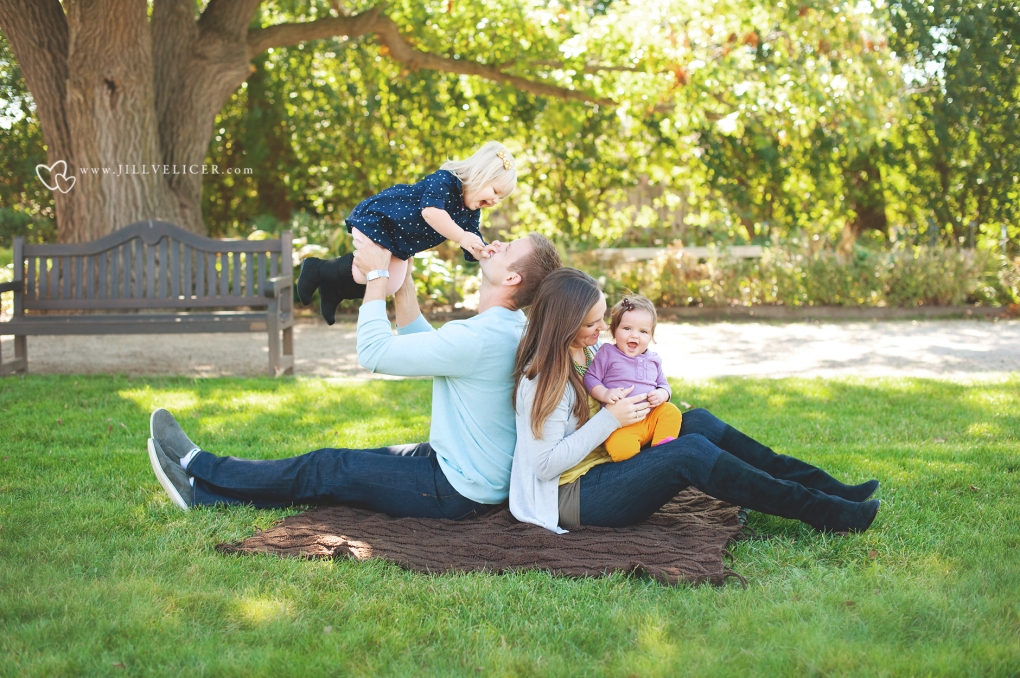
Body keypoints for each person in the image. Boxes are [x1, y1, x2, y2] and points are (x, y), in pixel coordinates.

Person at [147, 233, 562, 519]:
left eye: (509, 248)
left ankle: (198, 466)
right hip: (462, 467)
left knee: (328, 468)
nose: (498, 242)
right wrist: (403, 280)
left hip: (457, 490)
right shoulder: (500, 328)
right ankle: (206, 493)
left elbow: (375, 353)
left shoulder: (483, 337)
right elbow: (427, 346)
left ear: (511, 278)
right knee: (337, 473)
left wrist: (378, 278)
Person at [508, 268, 881, 534]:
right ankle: (823, 511)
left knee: (698, 421)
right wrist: (611, 418)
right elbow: (543, 466)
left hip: (607, 461)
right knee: (690, 453)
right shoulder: (542, 380)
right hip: (572, 497)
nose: (603, 330)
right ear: (563, 323)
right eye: (592, 323)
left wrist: (649, 401)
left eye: (603, 319)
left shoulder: (584, 352)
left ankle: (829, 489)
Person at [297, 141, 517, 324]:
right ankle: (317, 268)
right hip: (381, 220)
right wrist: (461, 236)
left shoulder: (470, 211)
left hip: (400, 241)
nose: (495, 201)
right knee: (376, 266)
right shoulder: (446, 180)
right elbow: (431, 213)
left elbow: (472, 236)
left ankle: (334, 290)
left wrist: (480, 249)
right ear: (479, 174)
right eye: (495, 191)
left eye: (501, 198)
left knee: (391, 283)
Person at [584, 295, 682, 461]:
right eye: (627, 328)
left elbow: (664, 385)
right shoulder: (607, 353)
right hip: (621, 425)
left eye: (643, 331)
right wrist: (605, 394)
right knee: (622, 448)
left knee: (671, 412)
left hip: (650, 418)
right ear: (614, 330)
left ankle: (662, 449)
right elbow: (591, 378)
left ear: (651, 336)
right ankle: (638, 464)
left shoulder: (654, 359)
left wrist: (662, 394)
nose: (634, 336)